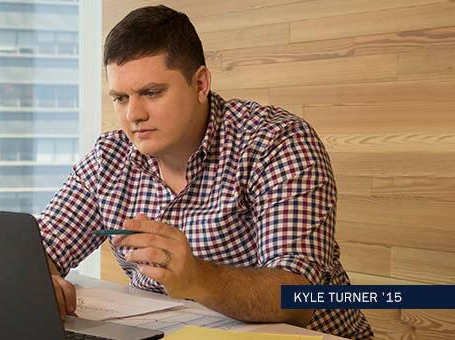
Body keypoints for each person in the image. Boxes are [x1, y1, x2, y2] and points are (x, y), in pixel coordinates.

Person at [39, 5, 373, 339]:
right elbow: (41, 249)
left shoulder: (274, 142)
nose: (133, 114)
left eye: (151, 93)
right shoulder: (108, 158)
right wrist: (44, 280)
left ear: (200, 84)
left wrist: (197, 278)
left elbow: (297, 298)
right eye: (120, 98)